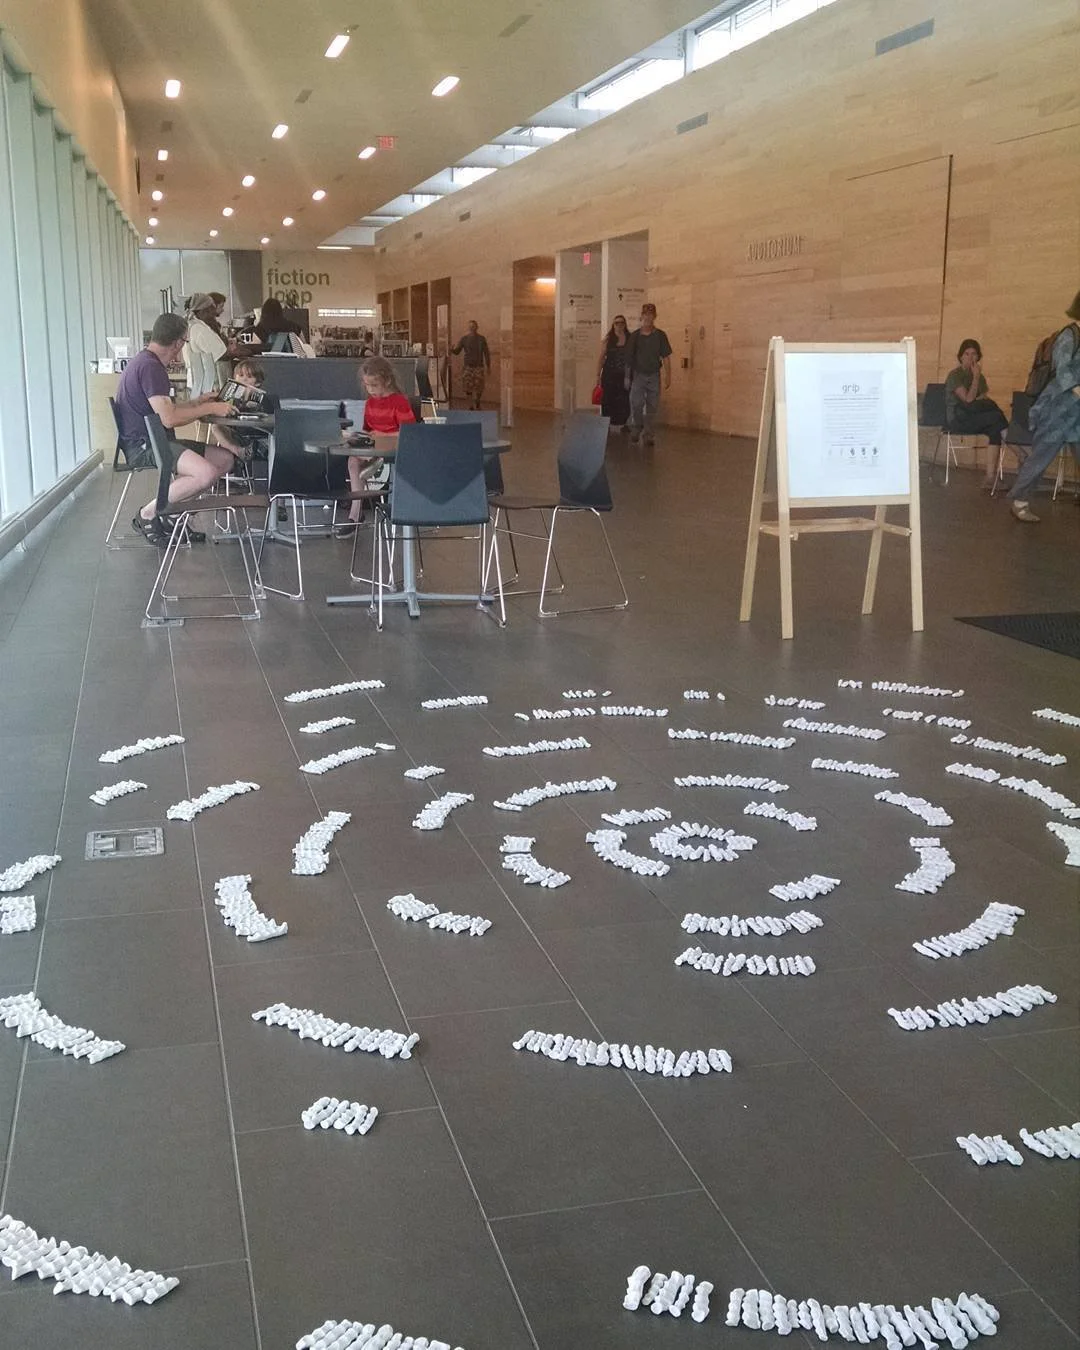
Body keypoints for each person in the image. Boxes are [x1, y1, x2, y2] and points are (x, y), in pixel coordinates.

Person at [114, 313, 238, 544]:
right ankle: (148, 513)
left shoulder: (144, 362)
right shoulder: (152, 368)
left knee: (224, 460)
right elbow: (169, 419)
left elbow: (164, 410)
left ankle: (172, 515)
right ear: (179, 343)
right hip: (147, 445)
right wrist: (211, 407)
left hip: (154, 439)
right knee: (207, 473)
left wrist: (197, 402)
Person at [1008, 293, 1080, 523]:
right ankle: (1019, 502)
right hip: (1056, 410)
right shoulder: (1069, 336)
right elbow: (1063, 370)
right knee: (1040, 457)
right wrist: (1078, 389)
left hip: (1075, 413)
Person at [340, 357, 416, 532]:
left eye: (374, 385)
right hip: (375, 446)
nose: (370, 390)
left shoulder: (399, 402)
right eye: (367, 385)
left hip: (396, 447)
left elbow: (409, 432)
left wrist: (381, 435)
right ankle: (355, 512)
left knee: (362, 459)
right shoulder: (370, 403)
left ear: (387, 381)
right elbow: (368, 430)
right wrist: (355, 436)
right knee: (352, 460)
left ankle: (374, 467)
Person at [944, 339, 1008, 489]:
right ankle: (1017, 449)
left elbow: (982, 400)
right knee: (997, 416)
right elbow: (968, 399)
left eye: (974, 354)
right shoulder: (955, 375)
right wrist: (976, 378)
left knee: (995, 427)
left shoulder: (981, 377)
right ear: (960, 356)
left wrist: (977, 383)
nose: (970, 358)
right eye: (966, 354)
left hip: (973, 417)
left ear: (978, 357)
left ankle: (990, 478)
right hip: (957, 419)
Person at [623, 303, 672, 446]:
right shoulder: (635, 336)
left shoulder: (660, 336)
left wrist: (668, 375)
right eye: (645, 314)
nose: (648, 317)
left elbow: (666, 357)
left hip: (654, 375)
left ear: (655, 316)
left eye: (651, 314)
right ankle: (637, 427)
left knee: (652, 405)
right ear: (641, 316)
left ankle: (649, 434)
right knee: (636, 402)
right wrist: (627, 376)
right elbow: (629, 358)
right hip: (639, 375)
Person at [182, 293, 228, 399]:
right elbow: (222, 354)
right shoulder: (199, 329)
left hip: (197, 382)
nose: (214, 313)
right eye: (212, 309)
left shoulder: (192, 325)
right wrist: (248, 351)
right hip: (206, 383)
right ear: (203, 311)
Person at [595, 315, 630, 430]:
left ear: (625, 325)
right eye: (616, 323)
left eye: (621, 323)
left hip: (624, 374)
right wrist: (597, 375)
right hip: (609, 374)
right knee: (608, 399)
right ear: (613, 325)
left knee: (624, 399)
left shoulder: (630, 338)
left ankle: (624, 423)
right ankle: (607, 424)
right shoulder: (608, 339)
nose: (619, 325)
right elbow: (601, 357)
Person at [452, 320, 491, 410]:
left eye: (473, 326)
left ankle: (477, 400)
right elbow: (457, 351)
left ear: (477, 327)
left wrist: (488, 366)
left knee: (479, 386)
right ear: (468, 328)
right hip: (468, 367)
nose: (471, 328)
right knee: (467, 386)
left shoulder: (481, 339)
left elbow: (486, 353)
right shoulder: (464, 339)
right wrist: (452, 350)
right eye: (470, 326)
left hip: (478, 366)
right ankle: (470, 404)